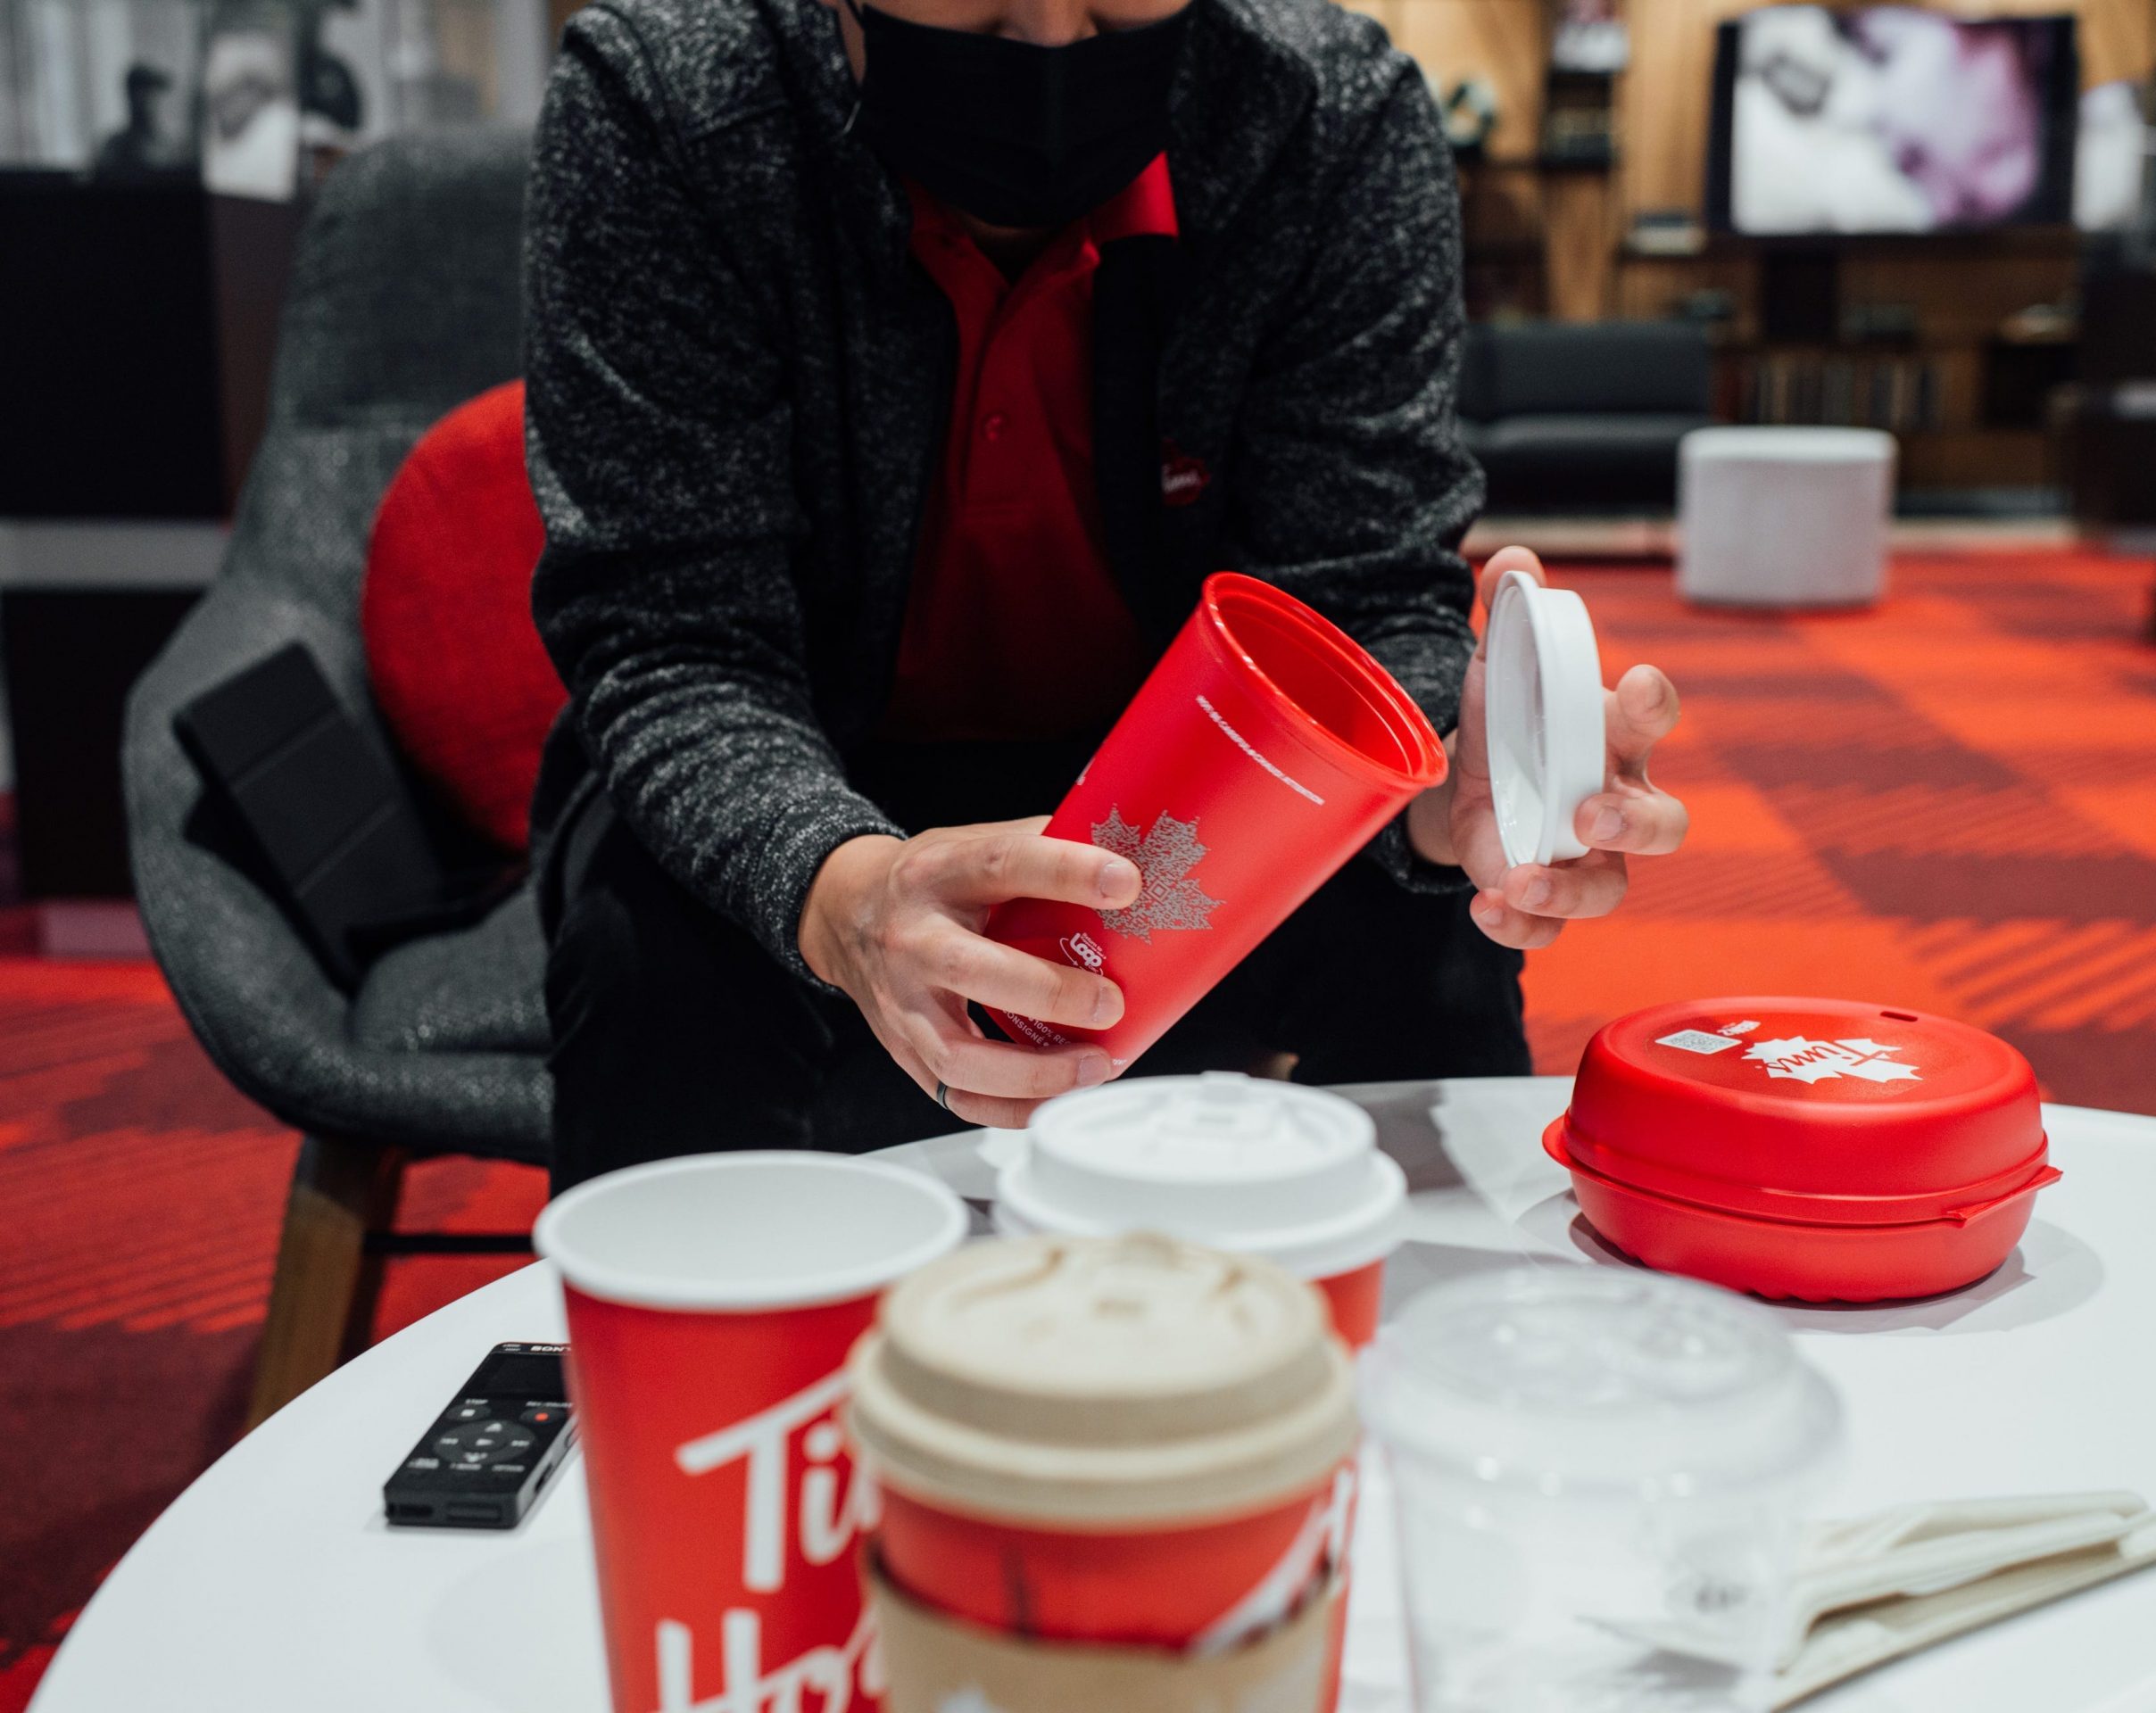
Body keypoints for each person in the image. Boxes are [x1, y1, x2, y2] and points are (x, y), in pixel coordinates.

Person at [524, 0, 1690, 1194]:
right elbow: (672, 632)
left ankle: (1413, 1361)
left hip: (1210, 784)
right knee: (649, 953)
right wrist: (836, 885)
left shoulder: (1321, 116)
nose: (1049, 36)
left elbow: (1360, 585)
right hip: (809, 758)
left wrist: (1437, 784)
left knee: (1430, 941)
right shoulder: (672, 103)